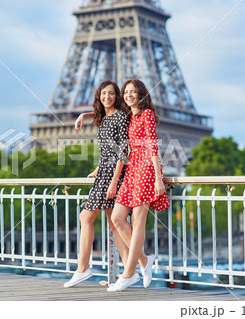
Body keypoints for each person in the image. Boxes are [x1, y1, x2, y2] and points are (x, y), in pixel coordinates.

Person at [64, 80, 130, 287]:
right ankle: (130, 270)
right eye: (104, 94)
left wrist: (113, 181)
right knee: (112, 223)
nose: (107, 97)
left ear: (117, 96)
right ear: (99, 96)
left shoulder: (120, 117)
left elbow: (122, 151)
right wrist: (84, 115)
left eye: (111, 94)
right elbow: (106, 151)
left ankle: (83, 269)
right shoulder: (104, 117)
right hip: (104, 172)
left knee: (86, 216)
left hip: (113, 174)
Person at [107, 79, 170, 292]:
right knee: (116, 217)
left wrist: (158, 178)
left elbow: (152, 144)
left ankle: (128, 273)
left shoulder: (147, 115)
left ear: (141, 94)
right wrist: (83, 115)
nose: (129, 95)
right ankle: (143, 261)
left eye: (133, 91)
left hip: (146, 169)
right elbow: (106, 113)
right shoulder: (129, 117)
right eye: (126, 92)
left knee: (137, 219)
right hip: (132, 168)